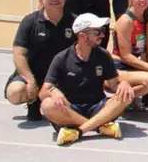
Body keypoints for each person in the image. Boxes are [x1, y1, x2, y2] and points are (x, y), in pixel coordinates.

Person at [40, 13, 133, 145]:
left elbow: (114, 86)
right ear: (83, 36)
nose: (102, 35)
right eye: (97, 32)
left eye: (103, 30)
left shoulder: (104, 55)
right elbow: (43, 92)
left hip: (98, 107)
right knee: (47, 105)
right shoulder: (61, 58)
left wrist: (123, 83)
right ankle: (98, 127)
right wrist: (54, 92)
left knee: (126, 96)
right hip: (71, 109)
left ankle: (78, 131)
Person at [5, 0, 75, 121]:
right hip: (34, 75)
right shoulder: (30, 21)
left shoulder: (75, 22)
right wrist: (30, 81)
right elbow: (19, 54)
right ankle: (33, 100)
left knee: (68, 108)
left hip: (61, 78)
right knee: (15, 92)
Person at [111, 0, 148, 108]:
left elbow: (145, 50)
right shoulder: (126, 20)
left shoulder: (145, 18)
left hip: (134, 65)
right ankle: (115, 104)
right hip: (119, 67)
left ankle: (127, 99)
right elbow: (125, 56)